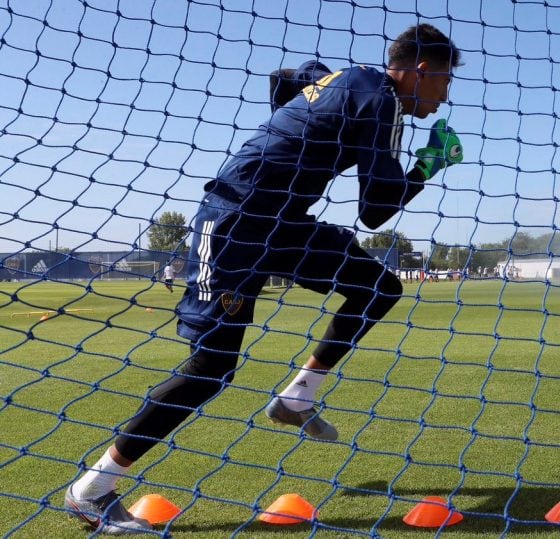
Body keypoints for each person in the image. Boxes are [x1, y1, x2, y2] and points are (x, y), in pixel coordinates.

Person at [65, 23, 462, 534]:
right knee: (212, 368)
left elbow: (291, 76)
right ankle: (90, 492)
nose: (445, 95)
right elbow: (376, 211)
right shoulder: (382, 101)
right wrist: (428, 164)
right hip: (234, 224)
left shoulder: (350, 79)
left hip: (283, 223)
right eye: (445, 82)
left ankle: (297, 397)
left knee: (378, 286)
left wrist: (298, 118)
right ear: (421, 70)